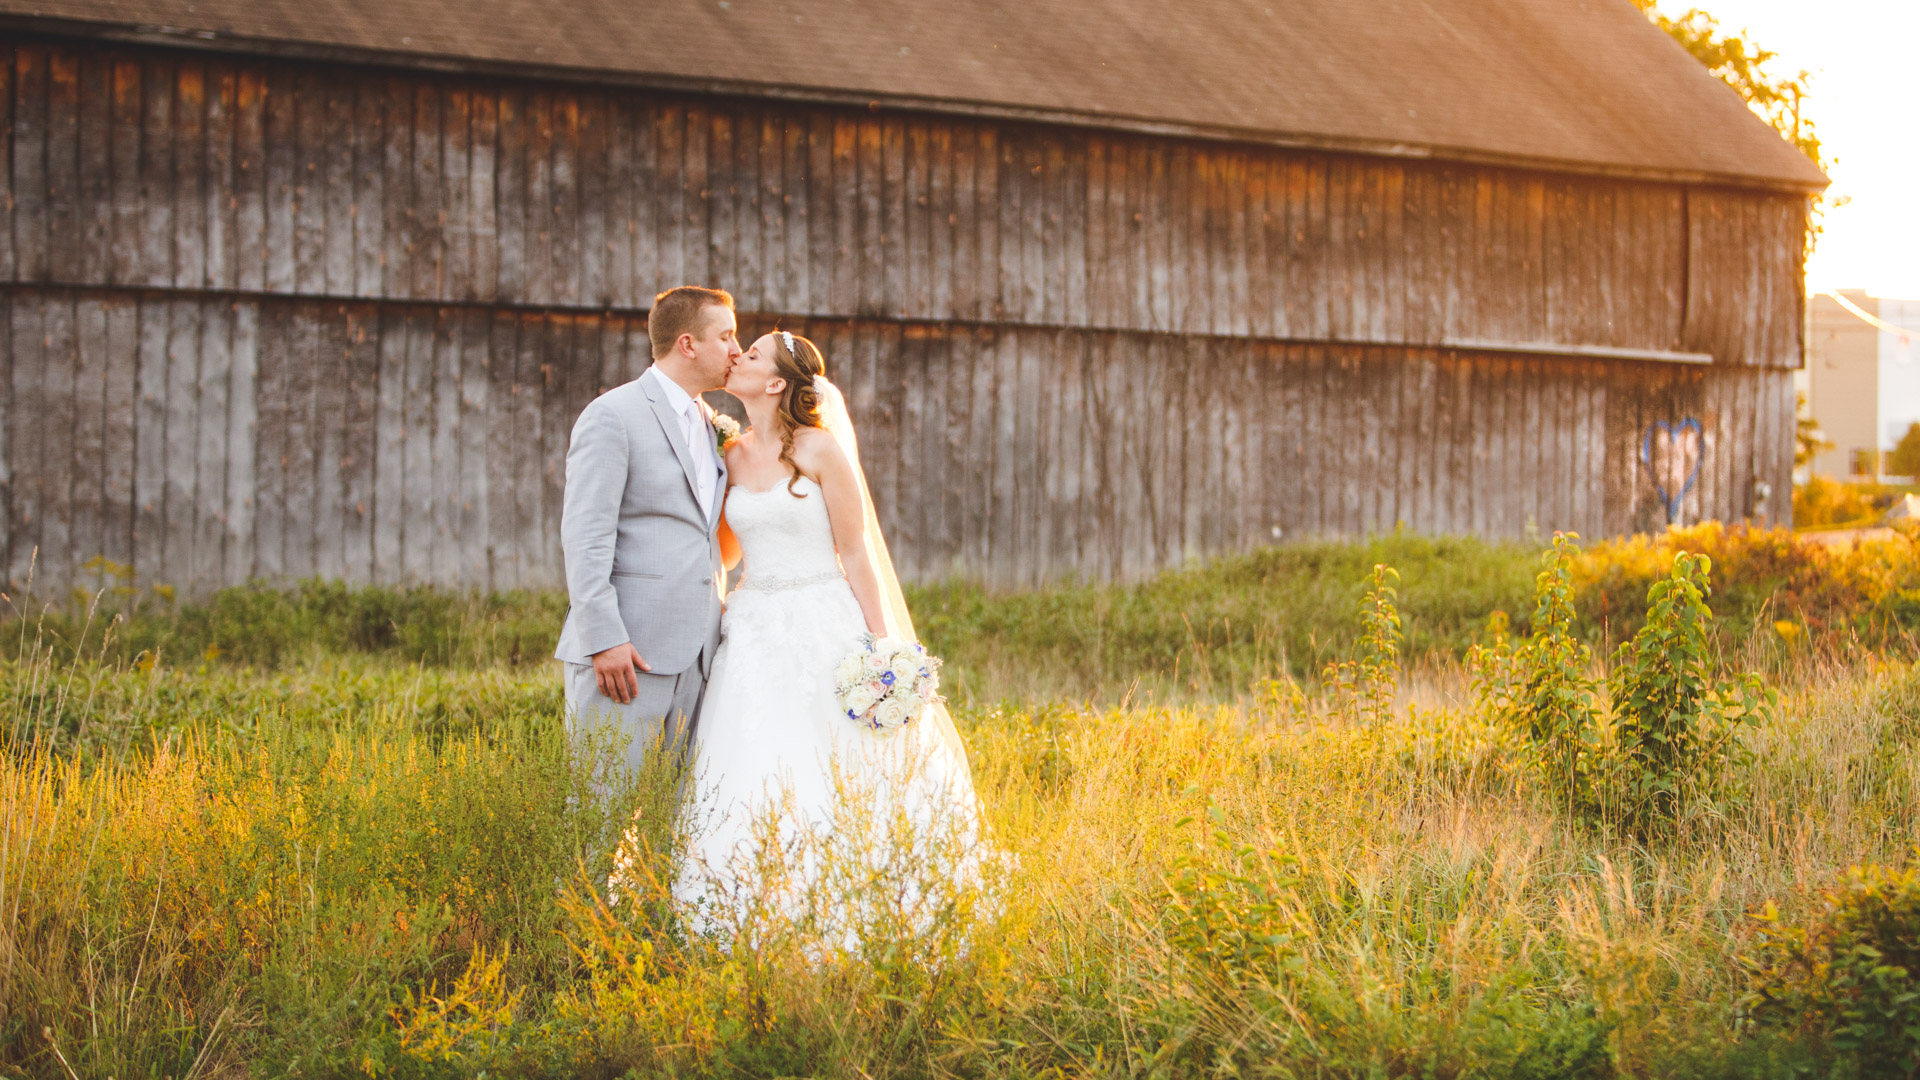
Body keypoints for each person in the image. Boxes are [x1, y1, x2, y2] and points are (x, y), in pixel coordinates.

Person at [671, 329, 985, 938]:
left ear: (777, 384)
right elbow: (729, 553)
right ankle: (744, 912)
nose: (739, 356)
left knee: (840, 760)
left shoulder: (818, 450)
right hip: (755, 632)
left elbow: (857, 554)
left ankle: (865, 903)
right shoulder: (730, 455)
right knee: (751, 761)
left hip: (824, 622)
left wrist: (886, 647)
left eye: (753, 354)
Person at [554, 285, 739, 793]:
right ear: (687, 344)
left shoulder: (713, 427)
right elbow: (585, 534)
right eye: (725, 336)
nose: (736, 350)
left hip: (699, 657)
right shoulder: (613, 415)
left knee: (675, 830)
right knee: (600, 818)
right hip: (626, 656)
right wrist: (604, 637)